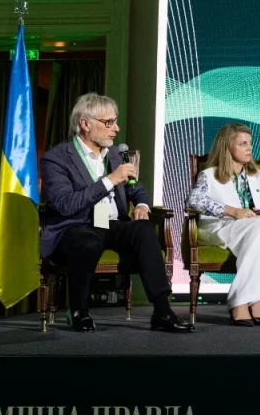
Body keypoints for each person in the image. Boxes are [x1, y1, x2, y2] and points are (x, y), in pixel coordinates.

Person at [39, 93, 193, 333]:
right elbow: (65, 204)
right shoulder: (56, 158)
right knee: (87, 242)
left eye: (115, 121)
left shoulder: (114, 154)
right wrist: (109, 180)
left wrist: (141, 205)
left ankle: (162, 311)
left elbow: (136, 189)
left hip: (111, 224)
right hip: (75, 227)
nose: (116, 128)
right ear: (85, 124)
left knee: (144, 230)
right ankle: (78, 310)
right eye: (108, 122)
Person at [185, 123, 260, 327]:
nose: (249, 148)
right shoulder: (210, 175)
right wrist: (232, 211)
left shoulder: (259, 176)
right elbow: (193, 201)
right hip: (220, 227)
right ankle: (240, 301)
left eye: (250, 143)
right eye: (242, 144)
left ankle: (257, 297)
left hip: (256, 227)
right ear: (227, 146)